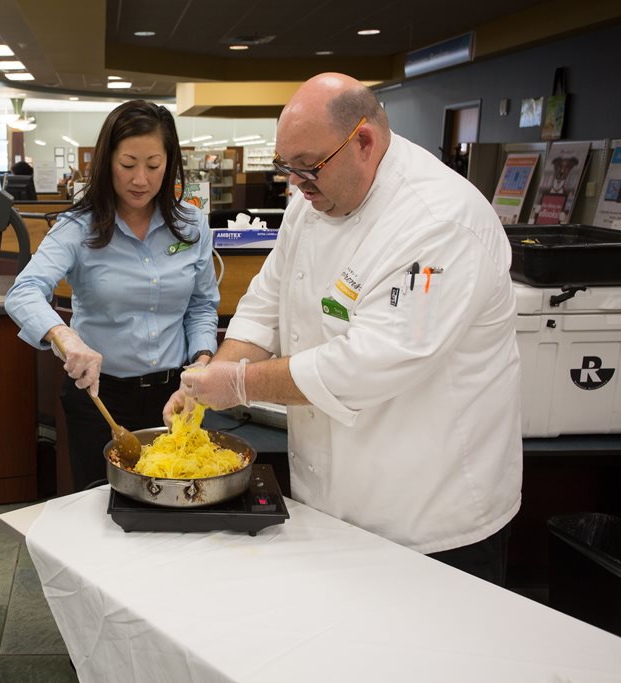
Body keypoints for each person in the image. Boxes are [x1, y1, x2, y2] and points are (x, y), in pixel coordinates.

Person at [169, 73, 522, 585]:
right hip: (328, 496)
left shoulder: (439, 222)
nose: (296, 184)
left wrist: (241, 385)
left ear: (363, 142)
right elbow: (266, 302)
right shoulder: (311, 200)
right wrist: (215, 375)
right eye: (285, 168)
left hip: (431, 516)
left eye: (307, 168)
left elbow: (369, 363)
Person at [5, 100, 219, 491]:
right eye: (128, 164)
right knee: (103, 508)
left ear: (169, 164)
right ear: (107, 162)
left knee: (176, 499)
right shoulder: (77, 227)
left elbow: (202, 306)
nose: (141, 179)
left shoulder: (191, 226)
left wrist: (202, 362)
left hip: (176, 397)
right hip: (101, 400)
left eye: (153, 166)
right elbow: (24, 292)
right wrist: (64, 336)